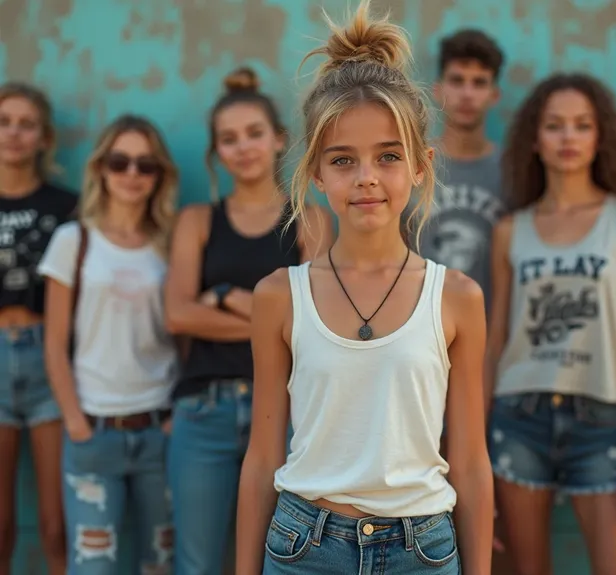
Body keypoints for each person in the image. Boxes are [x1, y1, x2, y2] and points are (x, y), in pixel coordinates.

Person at [235, 1, 494, 573]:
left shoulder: (457, 299)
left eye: (388, 156)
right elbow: (261, 458)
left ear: (421, 166)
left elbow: (472, 461)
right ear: (317, 172)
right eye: (344, 160)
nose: (367, 177)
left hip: (421, 550)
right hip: (303, 546)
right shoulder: (280, 295)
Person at [485, 73, 616, 575]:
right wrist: (473, 449)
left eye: (582, 125)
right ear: (535, 140)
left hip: (600, 419)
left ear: (599, 136)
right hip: (517, 414)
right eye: (555, 126)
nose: (568, 138)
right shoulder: (509, 230)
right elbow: (495, 340)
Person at [164, 67, 333, 574]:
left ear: (279, 139)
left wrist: (222, 300)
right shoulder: (197, 222)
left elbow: (319, 324)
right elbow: (176, 314)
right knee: (196, 564)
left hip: (286, 411)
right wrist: (271, 322)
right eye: (228, 139)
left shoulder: (310, 220)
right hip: (203, 412)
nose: (243, 148)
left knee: (279, 561)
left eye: (254, 134)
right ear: (216, 152)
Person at [40, 115, 179, 574]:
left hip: (160, 429)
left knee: (160, 562)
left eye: (146, 165)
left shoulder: (172, 244)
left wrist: (174, 415)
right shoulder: (73, 240)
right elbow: (55, 343)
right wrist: (76, 422)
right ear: (101, 167)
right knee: (92, 566)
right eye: (120, 162)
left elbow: (185, 334)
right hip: (93, 431)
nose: (132, 174)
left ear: (160, 175)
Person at [0, 82, 77, 575]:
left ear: (44, 137)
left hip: (48, 354)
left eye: (26, 124)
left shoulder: (65, 206)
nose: (14, 133)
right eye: (5, 121)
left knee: (54, 524)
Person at [419, 29, 506, 306]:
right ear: (438, 89)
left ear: (494, 95)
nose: (467, 94)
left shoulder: (514, 171)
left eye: (479, 83)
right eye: (457, 81)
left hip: (489, 333)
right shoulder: (412, 164)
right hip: (417, 331)